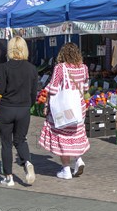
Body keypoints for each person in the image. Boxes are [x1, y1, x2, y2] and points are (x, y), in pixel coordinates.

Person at [39, 43, 90, 180]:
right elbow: (85, 87)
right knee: (75, 134)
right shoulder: (83, 68)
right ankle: (78, 159)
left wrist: (46, 104)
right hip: (79, 108)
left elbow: (53, 89)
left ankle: (66, 169)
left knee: (62, 136)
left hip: (64, 108)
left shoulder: (60, 68)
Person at [0, 36, 39, 187]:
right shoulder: (32, 68)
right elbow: (33, 93)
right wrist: (28, 106)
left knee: (6, 143)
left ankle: (9, 177)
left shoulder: (4, 68)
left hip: (6, 108)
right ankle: (28, 163)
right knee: (20, 140)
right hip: (23, 109)